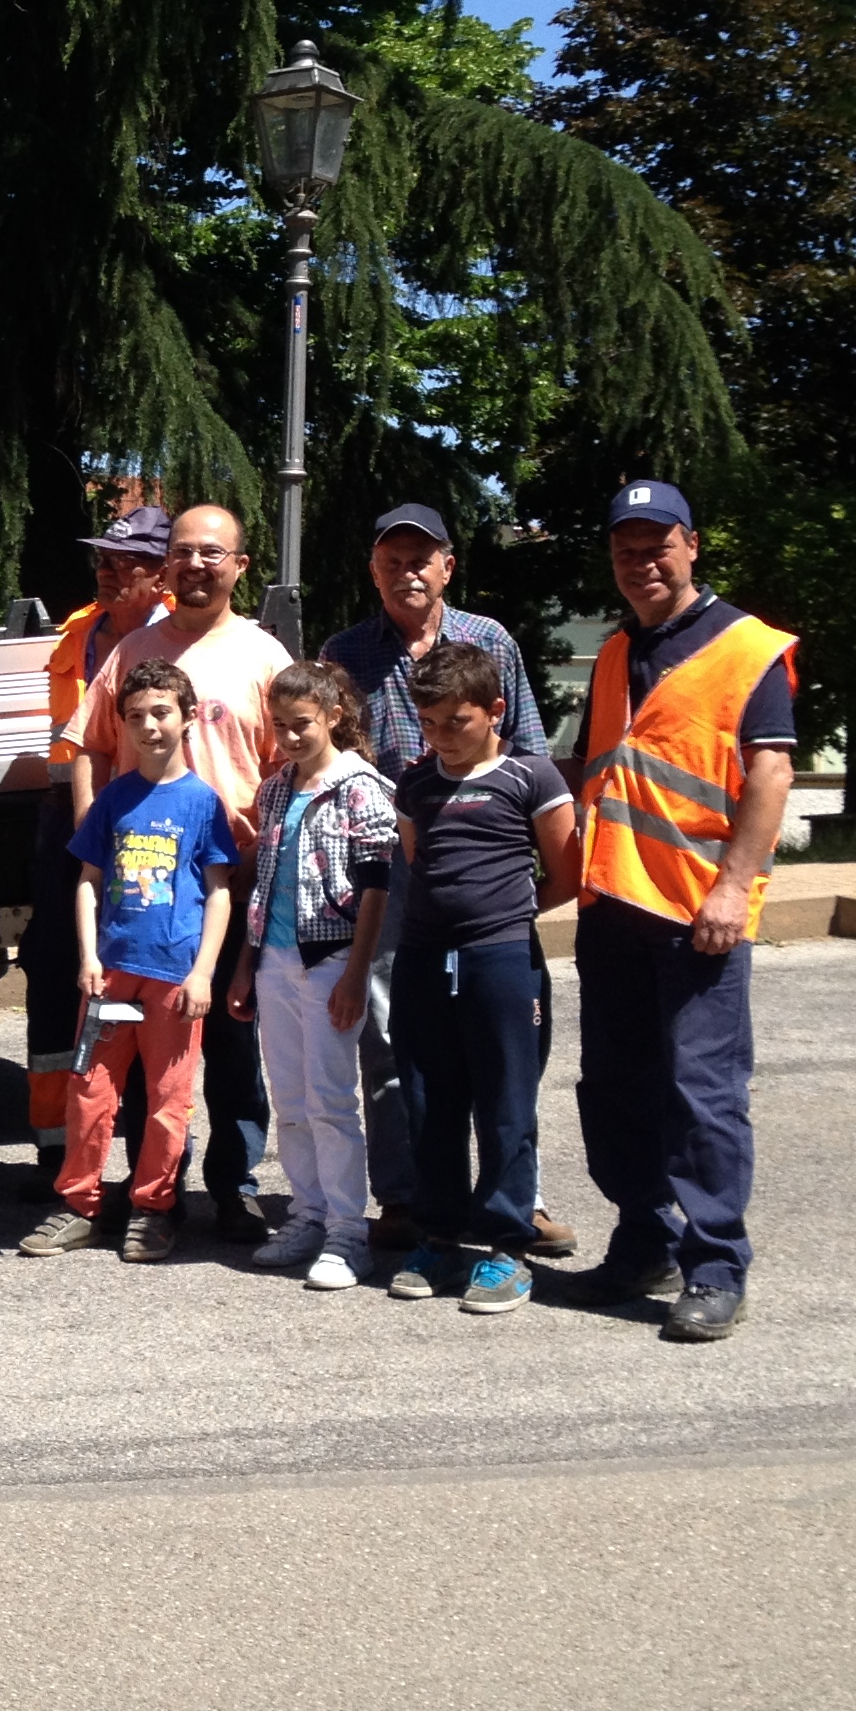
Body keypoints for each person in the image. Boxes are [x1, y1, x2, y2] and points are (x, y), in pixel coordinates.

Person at [567, 480, 797, 1341]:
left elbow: (770, 773)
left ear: (691, 546)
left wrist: (734, 887)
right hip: (613, 904)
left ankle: (715, 1266)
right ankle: (643, 1242)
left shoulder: (748, 648)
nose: (642, 563)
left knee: (702, 1094)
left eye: (657, 546)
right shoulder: (614, 654)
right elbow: (601, 771)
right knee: (615, 1089)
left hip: (697, 911)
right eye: (626, 550)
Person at [318, 504, 572, 1259]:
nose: (407, 573)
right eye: (392, 562)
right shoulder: (344, 652)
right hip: (389, 859)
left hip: (485, 863)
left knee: (503, 1052)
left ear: (447, 567)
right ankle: (409, 1198)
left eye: (420, 560)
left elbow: (528, 749)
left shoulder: (490, 641)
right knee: (393, 1040)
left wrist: (516, 873)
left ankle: (516, 1201)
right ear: (375, 572)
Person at [55, 504, 294, 1234]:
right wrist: (97, 839)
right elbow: (91, 746)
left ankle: (234, 1185)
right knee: (143, 1060)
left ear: (239, 567)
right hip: (143, 893)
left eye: (212, 553)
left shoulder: (264, 657)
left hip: (232, 882)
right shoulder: (134, 650)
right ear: (167, 565)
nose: (195, 564)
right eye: (183, 552)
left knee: (231, 1043)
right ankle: (150, 1196)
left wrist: (269, 863)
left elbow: (289, 765)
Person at [384, 642, 580, 1316]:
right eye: (428, 723)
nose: (441, 737)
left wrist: (500, 916)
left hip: (501, 961)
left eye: (456, 722)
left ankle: (506, 1247)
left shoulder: (531, 776)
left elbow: (566, 875)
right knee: (428, 1103)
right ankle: (439, 1237)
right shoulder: (415, 784)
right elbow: (420, 864)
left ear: (495, 710)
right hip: (422, 960)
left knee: (505, 1104)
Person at [26, 660, 239, 1260]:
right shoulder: (114, 799)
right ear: (121, 724)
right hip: (111, 977)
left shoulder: (203, 803)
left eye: (161, 713)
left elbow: (219, 892)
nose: (149, 726)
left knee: (169, 1099)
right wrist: (89, 957)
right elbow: (88, 882)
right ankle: (79, 1204)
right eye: (136, 715)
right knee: (90, 1091)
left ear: (188, 718)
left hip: (174, 978)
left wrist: (203, 972)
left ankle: (154, 1207)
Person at [229, 661, 395, 1290]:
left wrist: (356, 974)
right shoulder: (276, 788)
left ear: (332, 716)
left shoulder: (361, 787)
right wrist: (246, 965)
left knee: (330, 1100)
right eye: (278, 725)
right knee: (291, 1100)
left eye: (301, 724)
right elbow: (263, 883)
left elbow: (377, 887)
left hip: (331, 963)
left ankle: (349, 1233)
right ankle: (307, 1213)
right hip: (275, 962)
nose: (290, 737)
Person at [20, 505, 171, 1188]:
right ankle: (58, 1156)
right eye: (104, 560)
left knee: (146, 987)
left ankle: (148, 1167)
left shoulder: (176, 640)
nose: (108, 572)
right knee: (55, 976)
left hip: (149, 827)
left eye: (126, 563)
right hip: (69, 822)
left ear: (160, 574)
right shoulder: (77, 631)